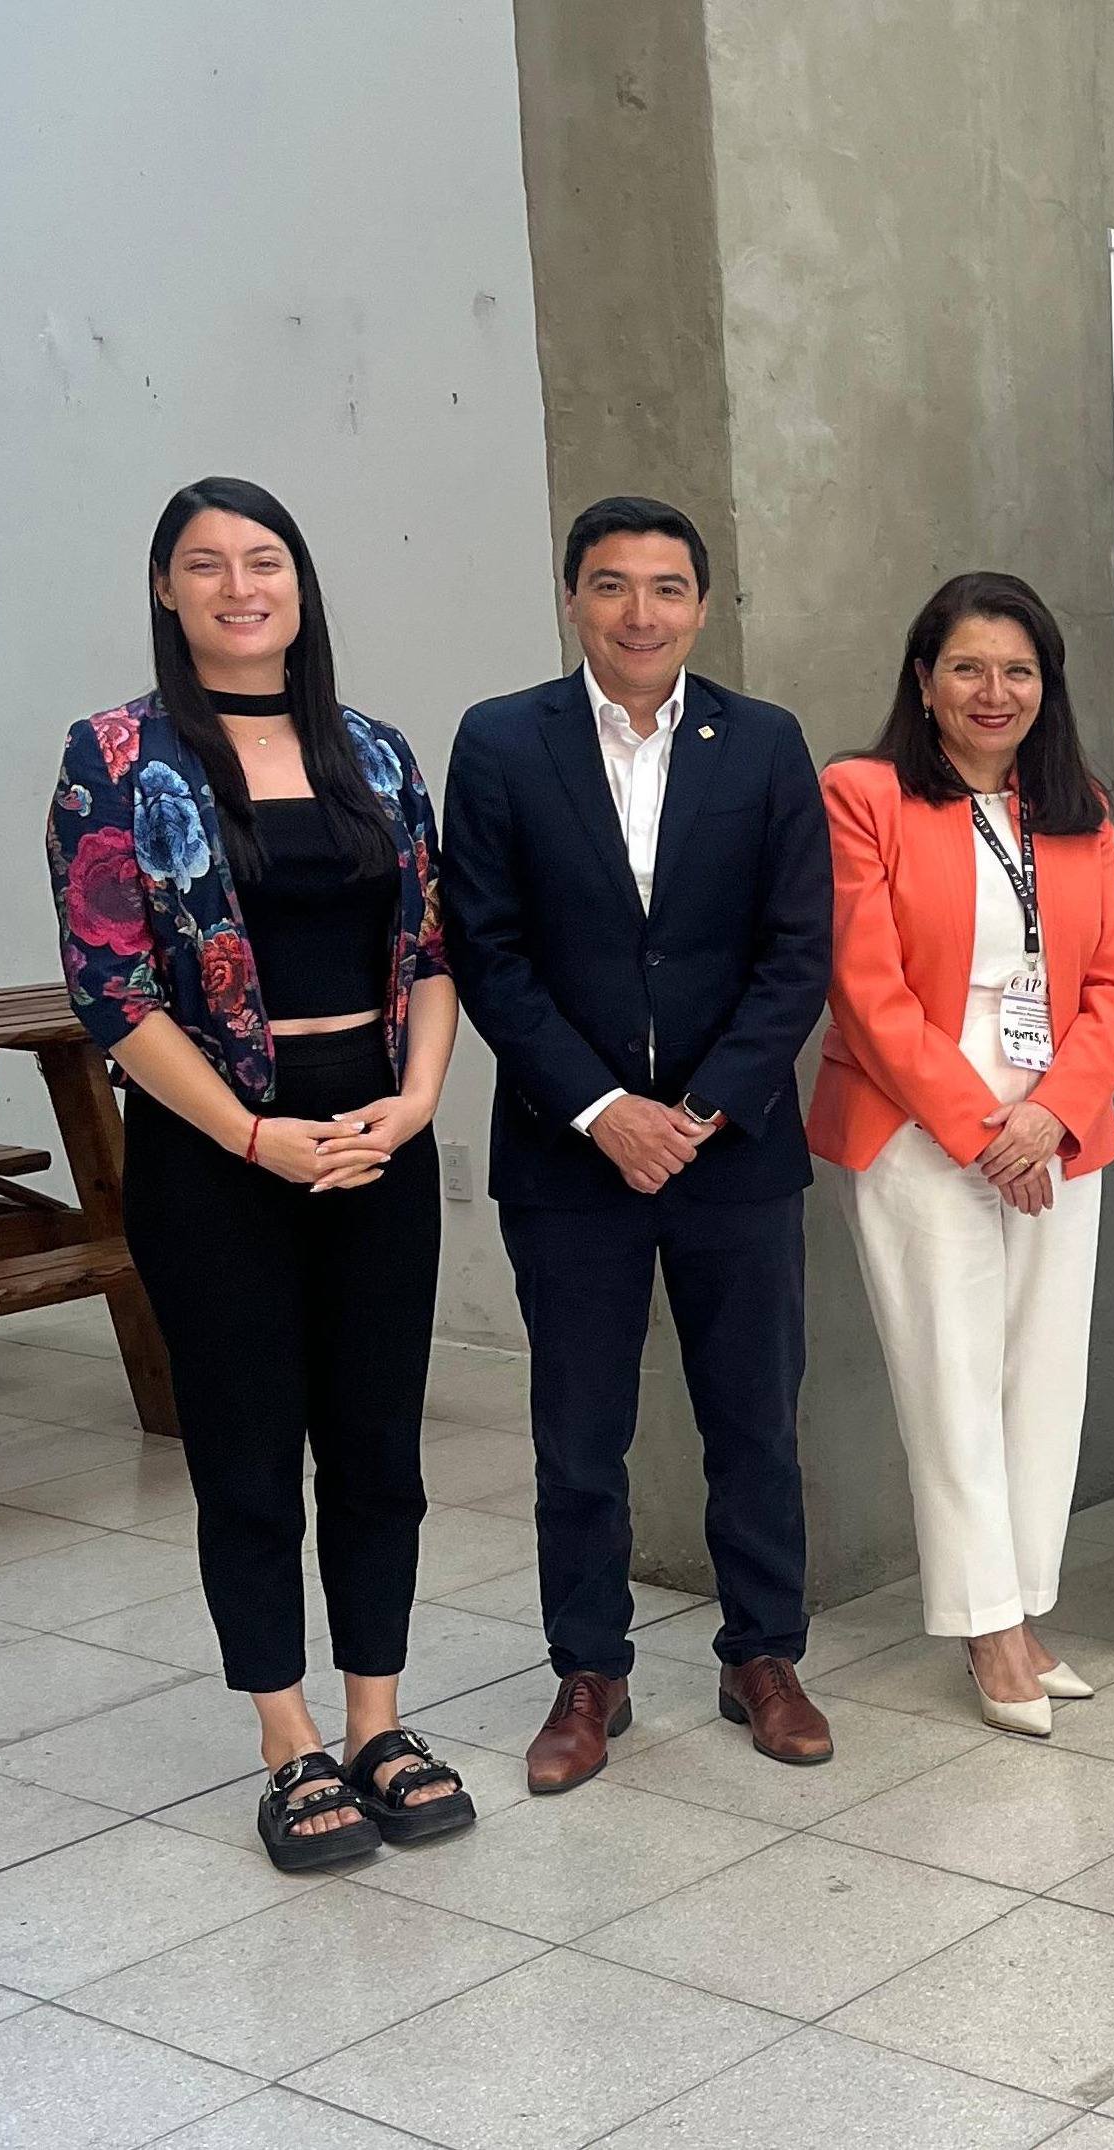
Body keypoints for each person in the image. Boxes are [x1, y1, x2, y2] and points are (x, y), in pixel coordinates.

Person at [47, 477, 473, 1870]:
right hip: (214, 1152)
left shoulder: (375, 750)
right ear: (165, 589)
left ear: (300, 584)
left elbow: (430, 948)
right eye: (206, 564)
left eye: (265, 560)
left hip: (376, 1139)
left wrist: (416, 1101)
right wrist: (248, 1131)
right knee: (246, 1455)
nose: (240, 586)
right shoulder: (116, 755)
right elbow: (110, 988)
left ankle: (378, 1722)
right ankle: (289, 1743)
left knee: (377, 1447)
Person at [439, 496, 834, 1790]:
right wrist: (605, 1109)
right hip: (570, 1156)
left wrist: (699, 1110)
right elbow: (486, 950)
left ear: (701, 606)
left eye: (667, 587)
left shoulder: (763, 742)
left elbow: (797, 953)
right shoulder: (502, 741)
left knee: (754, 1422)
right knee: (578, 1435)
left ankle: (762, 1652)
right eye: (611, 585)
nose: (640, 612)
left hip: (735, 1151)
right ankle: (588, 1673)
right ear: (573, 598)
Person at [811, 573, 1114, 1738]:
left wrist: (1050, 1114)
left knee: (1042, 1378)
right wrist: (982, 1128)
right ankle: (984, 1625)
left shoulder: (1077, 805)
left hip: (1058, 1129)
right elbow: (865, 988)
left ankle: (1024, 1603)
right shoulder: (862, 795)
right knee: (949, 1380)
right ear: (923, 680)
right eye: (966, 666)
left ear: (1046, 686)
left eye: (1017, 669)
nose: (992, 690)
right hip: (914, 1128)